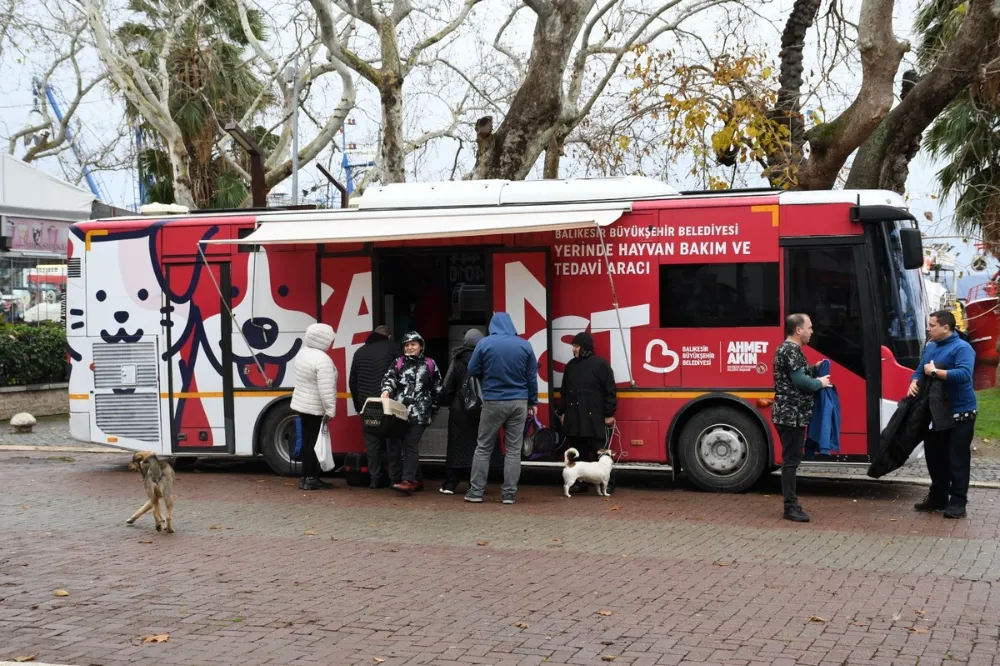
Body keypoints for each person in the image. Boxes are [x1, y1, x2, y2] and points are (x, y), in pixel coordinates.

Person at [464, 312, 538, 505]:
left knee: (483, 448)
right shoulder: (524, 345)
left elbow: (472, 370)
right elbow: (531, 377)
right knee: (514, 450)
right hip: (519, 402)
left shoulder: (485, 343)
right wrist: (533, 402)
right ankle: (509, 494)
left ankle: (476, 492)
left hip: (493, 401)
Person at [909, 310, 977, 519]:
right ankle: (938, 497)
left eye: (932, 325)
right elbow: (921, 368)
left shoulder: (963, 348)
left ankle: (958, 502)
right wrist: (914, 380)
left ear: (946, 328)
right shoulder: (931, 347)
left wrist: (936, 373)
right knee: (934, 456)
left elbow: (964, 374)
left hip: (960, 413)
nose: (928, 328)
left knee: (957, 459)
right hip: (936, 413)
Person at [772, 313, 832, 522]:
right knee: (791, 462)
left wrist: (813, 369)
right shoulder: (791, 350)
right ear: (798, 330)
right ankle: (790, 507)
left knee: (792, 460)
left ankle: (791, 504)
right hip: (791, 416)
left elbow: (795, 375)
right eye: (809, 327)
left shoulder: (787, 349)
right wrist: (820, 382)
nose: (812, 331)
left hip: (789, 415)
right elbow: (801, 382)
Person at [380, 331, 443, 495]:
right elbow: (389, 379)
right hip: (399, 412)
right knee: (396, 444)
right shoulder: (398, 363)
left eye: (413, 344)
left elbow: (437, 389)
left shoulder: (429, 364)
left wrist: (433, 410)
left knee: (410, 444)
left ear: (420, 346)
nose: (410, 348)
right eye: (407, 345)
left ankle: (408, 481)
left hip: (420, 412)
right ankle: (415, 479)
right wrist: (386, 391)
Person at [556, 331, 617, 494]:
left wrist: (609, 413)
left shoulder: (601, 365)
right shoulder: (571, 366)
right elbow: (564, 391)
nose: (573, 349)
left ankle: (607, 483)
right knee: (578, 448)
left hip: (595, 416)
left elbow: (609, 391)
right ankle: (579, 482)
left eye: (576, 346)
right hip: (575, 416)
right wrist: (562, 412)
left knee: (600, 451)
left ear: (584, 347)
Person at [349, 325, 400, 488]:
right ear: (389, 336)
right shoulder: (395, 348)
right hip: (388, 403)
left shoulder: (359, 352)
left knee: (372, 442)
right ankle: (394, 478)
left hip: (367, 404)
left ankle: (375, 478)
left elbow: (353, 382)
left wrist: (359, 406)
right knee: (392, 441)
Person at [289, 323, 338, 491]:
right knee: (314, 444)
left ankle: (304, 478)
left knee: (307, 441)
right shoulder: (322, 360)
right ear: (323, 339)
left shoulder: (302, 353)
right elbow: (326, 389)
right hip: (315, 407)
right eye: (330, 339)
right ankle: (311, 478)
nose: (331, 342)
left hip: (302, 405)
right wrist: (330, 410)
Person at [438, 328, 485, 494]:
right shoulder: (485, 358)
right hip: (480, 410)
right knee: (478, 447)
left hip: (459, 410)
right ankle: (475, 484)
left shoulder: (457, 360)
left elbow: (447, 387)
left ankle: (450, 484)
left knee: (456, 447)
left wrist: (446, 402)